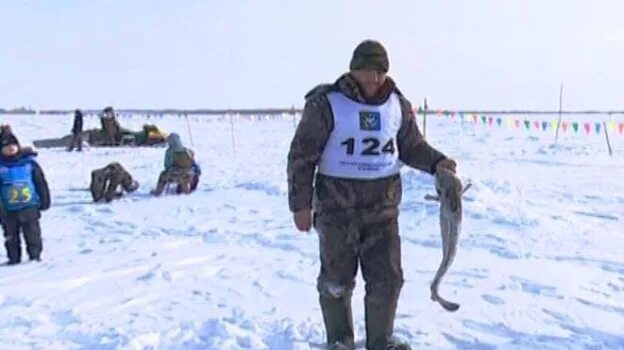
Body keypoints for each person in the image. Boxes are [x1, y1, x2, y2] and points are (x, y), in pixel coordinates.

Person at [287, 40, 457, 350]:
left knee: (387, 280)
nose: (374, 78)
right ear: (353, 69)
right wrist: (300, 205)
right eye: (368, 71)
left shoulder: (397, 105)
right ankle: (340, 341)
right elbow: (302, 155)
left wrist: (437, 162)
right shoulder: (326, 104)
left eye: (380, 72)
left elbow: (412, 146)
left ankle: (382, 341)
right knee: (337, 281)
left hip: (383, 212)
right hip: (336, 212)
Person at [0, 130, 50, 265]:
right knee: (11, 236)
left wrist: (45, 199)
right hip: (8, 210)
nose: (10, 148)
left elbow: (40, 182)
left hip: (30, 206)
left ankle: (35, 256)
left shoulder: (29, 164)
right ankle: (13, 258)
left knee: (33, 234)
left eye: (13, 145)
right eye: (6, 146)